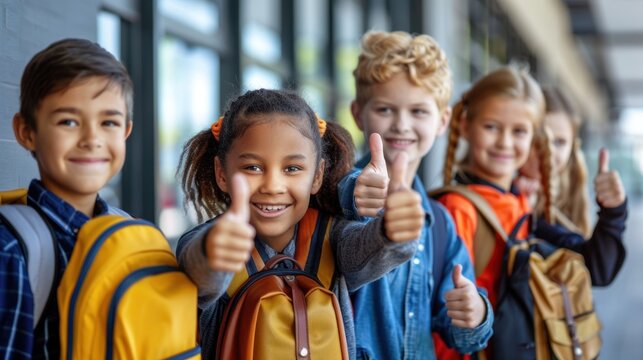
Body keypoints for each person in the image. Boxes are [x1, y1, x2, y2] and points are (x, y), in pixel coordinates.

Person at [175, 88, 425, 359]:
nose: (273, 186)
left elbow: (370, 247)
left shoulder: (334, 236)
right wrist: (213, 253)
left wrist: (393, 231)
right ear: (221, 173)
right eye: (253, 168)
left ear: (317, 175)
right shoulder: (208, 240)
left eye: (292, 169)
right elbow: (199, 273)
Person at [337, 30, 493, 360]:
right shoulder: (336, 197)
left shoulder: (440, 224)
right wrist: (362, 203)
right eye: (385, 109)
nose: (401, 125)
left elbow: (464, 339)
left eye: (419, 111)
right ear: (357, 113)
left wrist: (475, 312)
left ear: (442, 121)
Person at [0, 38, 133, 358]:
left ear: (126, 131)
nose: (91, 139)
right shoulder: (9, 250)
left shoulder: (128, 231)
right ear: (26, 131)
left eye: (109, 122)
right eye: (68, 121)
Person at [516, 86, 627, 286]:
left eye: (559, 142)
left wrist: (613, 210)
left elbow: (594, 269)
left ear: (572, 147)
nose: (549, 151)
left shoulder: (567, 197)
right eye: (538, 139)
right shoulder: (505, 194)